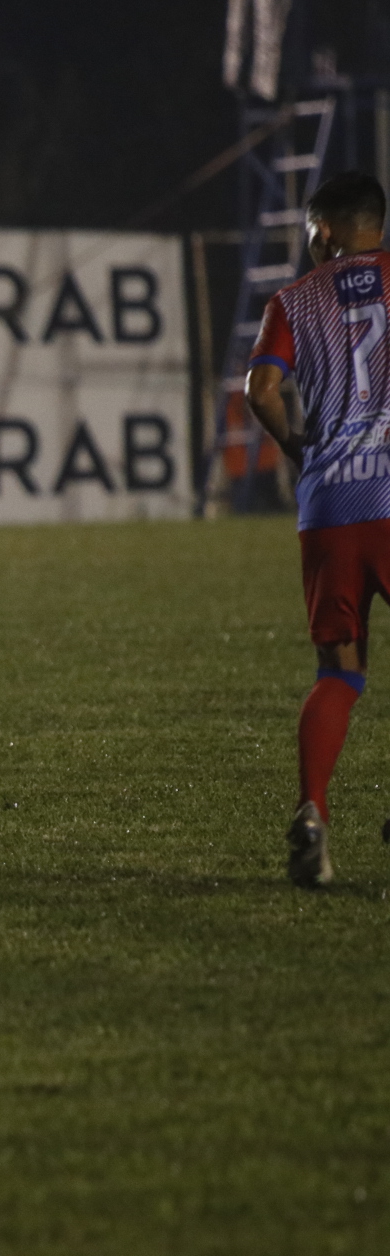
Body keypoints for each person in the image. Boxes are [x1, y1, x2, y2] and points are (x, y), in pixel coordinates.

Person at [245, 170, 390, 887]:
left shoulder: (292, 299)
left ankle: (311, 812)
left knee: (340, 673)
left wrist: (300, 443)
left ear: (327, 229)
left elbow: (260, 389)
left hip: (330, 504)